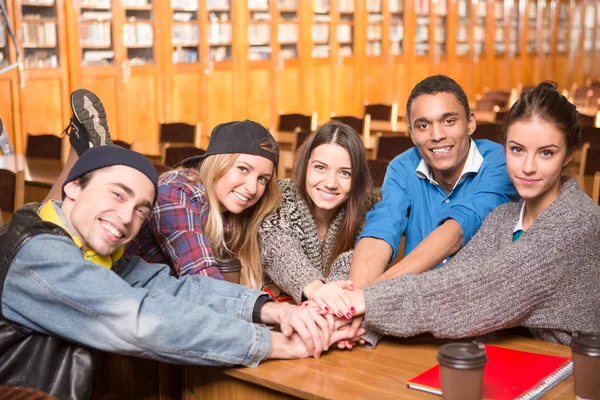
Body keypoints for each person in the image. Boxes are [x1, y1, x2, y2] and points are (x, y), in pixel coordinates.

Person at [0, 93, 360, 399]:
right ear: (74, 188)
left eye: (142, 209)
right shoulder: (37, 251)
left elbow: (178, 288)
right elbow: (138, 319)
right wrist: (280, 344)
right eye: (117, 194)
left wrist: (278, 313)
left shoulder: (108, 257)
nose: (127, 218)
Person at [342, 81, 600, 346]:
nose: (528, 167)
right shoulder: (503, 218)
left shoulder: (579, 223)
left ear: (569, 154)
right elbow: (451, 276)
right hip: (510, 358)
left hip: (572, 369)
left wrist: (362, 303)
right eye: (517, 150)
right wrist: (351, 323)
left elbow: (477, 292)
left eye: (546, 153)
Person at [326, 75, 518, 320]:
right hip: (417, 312)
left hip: (482, 314)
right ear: (412, 133)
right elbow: (382, 229)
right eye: (423, 125)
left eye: (449, 121)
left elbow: (459, 228)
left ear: (470, 123)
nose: (436, 135)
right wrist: (353, 310)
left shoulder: (501, 161)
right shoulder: (401, 167)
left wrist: (369, 298)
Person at [125, 120, 280, 289]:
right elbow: (205, 281)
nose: (252, 188)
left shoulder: (232, 208)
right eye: (243, 169)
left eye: (263, 179)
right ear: (217, 163)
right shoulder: (176, 193)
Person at [259, 122, 374, 316]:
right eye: (320, 167)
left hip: (337, 317)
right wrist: (315, 289)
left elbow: (359, 259)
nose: (330, 183)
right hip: (278, 317)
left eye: (345, 173)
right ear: (305, 166)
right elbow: (277, 247)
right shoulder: (279, 196)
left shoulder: (368, 208)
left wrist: (329, 304)